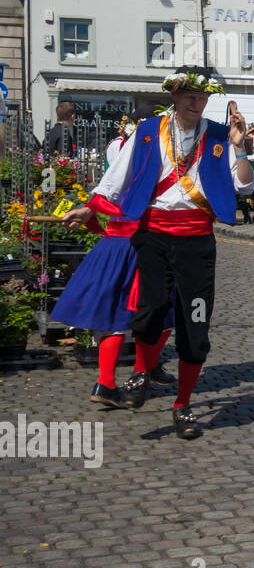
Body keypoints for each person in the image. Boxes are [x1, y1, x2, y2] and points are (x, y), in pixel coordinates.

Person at [62, 70, 254, 440]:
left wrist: (241, 146)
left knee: (195, 324)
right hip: (152, 237)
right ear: (175, 95)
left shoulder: (218, 135)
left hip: (197, 243)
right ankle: (140, 372)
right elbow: (117, 177)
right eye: (190, 97)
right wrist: (90, 208)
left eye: (202, 98)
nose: (196, 104)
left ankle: (182, 405)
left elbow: (244, 184)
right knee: (149, 311)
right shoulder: (149, 130)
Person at [52, 112, 175, 408]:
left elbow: (108, 189)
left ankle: (108, 381)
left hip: (116, 242)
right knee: (165, 308)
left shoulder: (119, 148)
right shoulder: (146, 151)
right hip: (140, 241)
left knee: (115, 313)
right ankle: (140, 372)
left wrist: (89, 210)